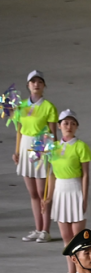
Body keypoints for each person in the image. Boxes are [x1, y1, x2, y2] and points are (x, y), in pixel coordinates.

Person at [13, 70, 59, 243]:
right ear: (28, 85)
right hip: (25, 146)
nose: (36, 85)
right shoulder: (22, 106)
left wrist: (51, 152)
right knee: (33, 193)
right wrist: (17, 151)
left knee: (42, 192)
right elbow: (19, 130)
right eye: (33, 82)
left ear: (44, 85)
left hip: (40, 146)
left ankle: (46, 230)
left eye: (39, 82)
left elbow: (53, 133)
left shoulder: (48, 107)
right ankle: (38, 229)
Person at [49, 110, 91, 273]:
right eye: (65, 123)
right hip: (60, 191)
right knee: (66, 237)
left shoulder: (81, 146)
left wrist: (84, 197)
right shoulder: (53, 148)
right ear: (59, 126)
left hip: (75, 189)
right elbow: (51, 174)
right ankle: (71, 272)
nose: (69, 126)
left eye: (73, 123)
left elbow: (85, 174)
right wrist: (48, 197)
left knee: (78, 237)